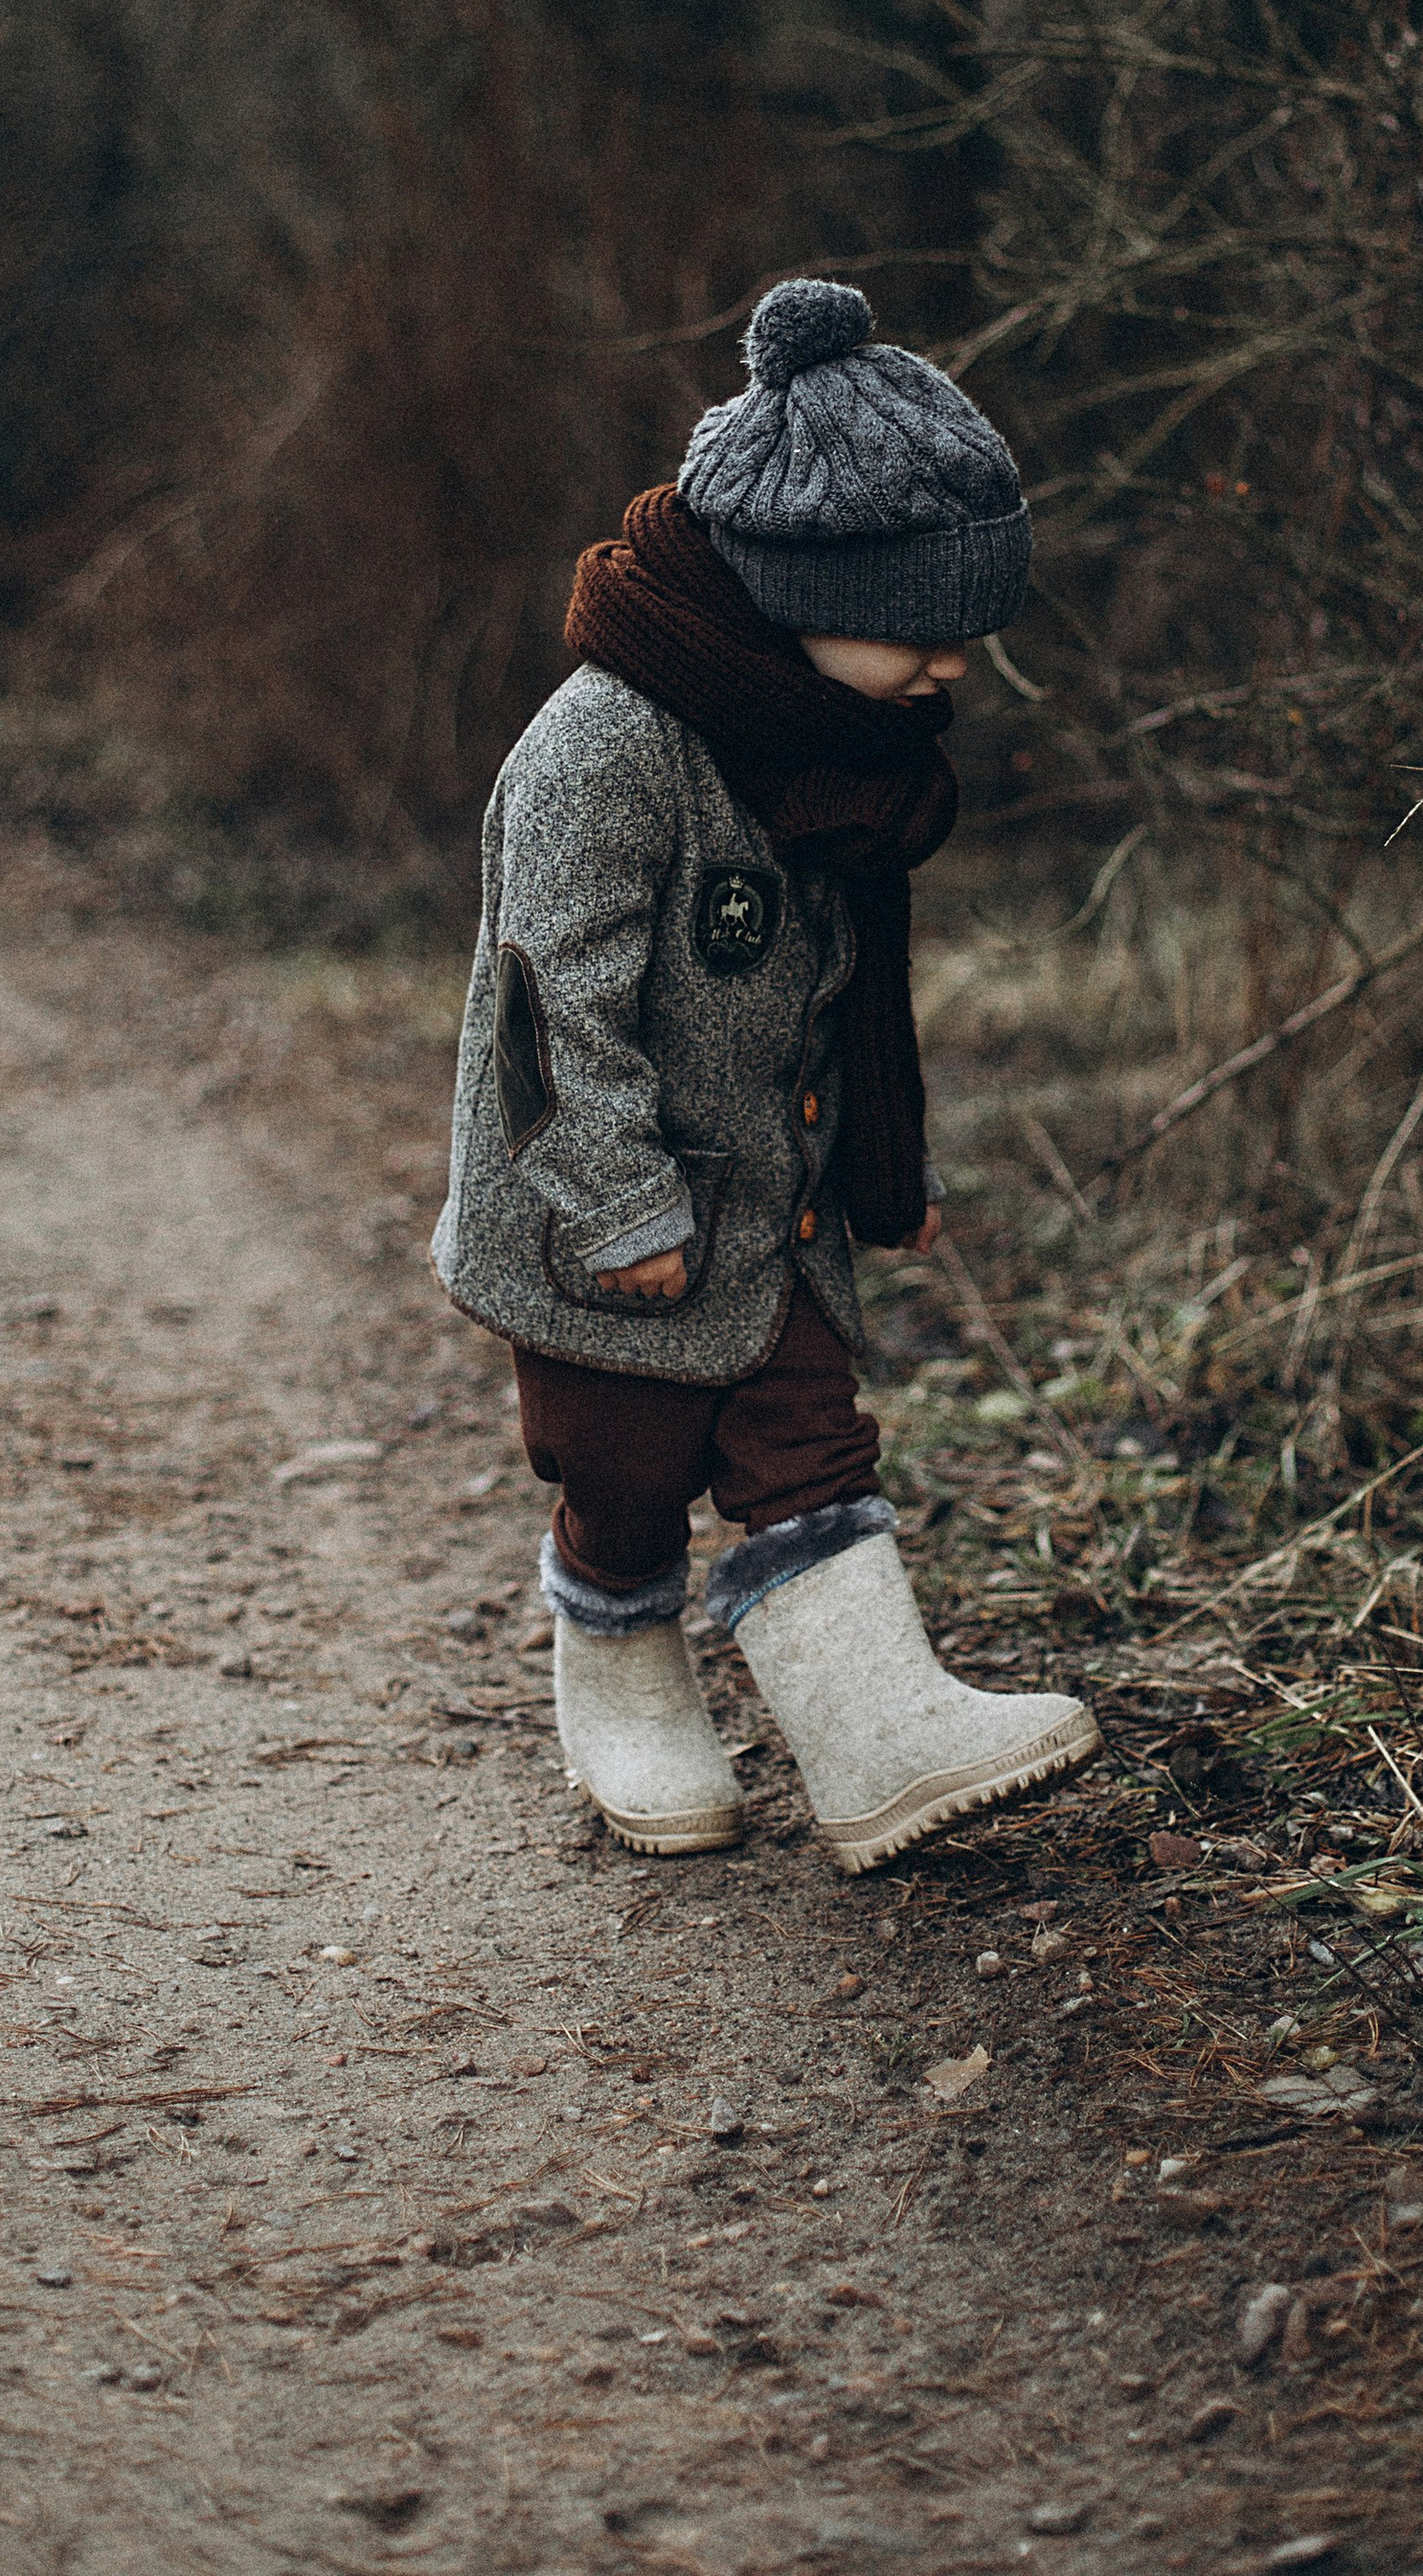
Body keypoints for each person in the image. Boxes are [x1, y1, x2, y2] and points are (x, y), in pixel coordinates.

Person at [430, 277, 1099, 1868]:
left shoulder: (832, 745)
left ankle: (877, 1738)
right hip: (600, 1217)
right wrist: (613, 1201)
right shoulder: (607, 750)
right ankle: (618, 1672)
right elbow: (546, 1015)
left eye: (970, 638)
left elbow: (848, 991)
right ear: (798, 587)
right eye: (921, 633)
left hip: (770, 1205)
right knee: (627, 1475)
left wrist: (886, 1165)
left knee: (809, 1440)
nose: (951, 670)